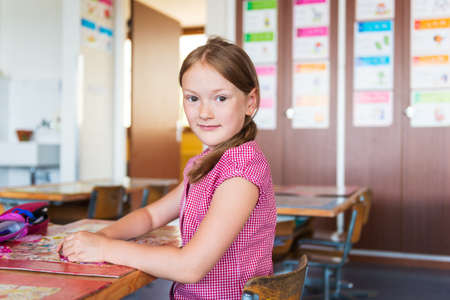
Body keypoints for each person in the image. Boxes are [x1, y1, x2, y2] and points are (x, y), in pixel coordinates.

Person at [58, 36, 276, 300]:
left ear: (250, 102)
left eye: (220, 98)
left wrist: (105, 248)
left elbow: (190, 267)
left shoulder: (241, 171)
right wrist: (100, 236)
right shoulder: (207, 162)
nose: (204, 112)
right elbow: (151, 216)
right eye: (193, 98)